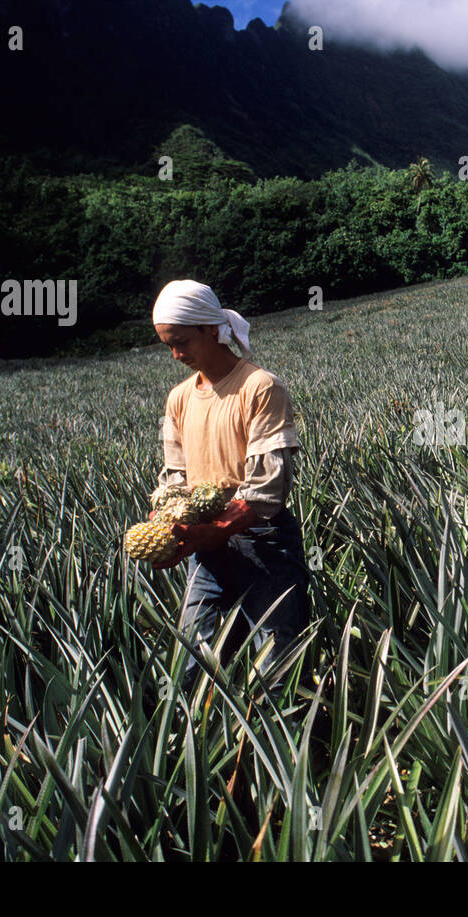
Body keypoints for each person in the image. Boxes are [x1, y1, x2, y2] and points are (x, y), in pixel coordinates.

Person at [148, 279, 310, 698]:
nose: (176, 355)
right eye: (168, 345)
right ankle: (195, 746)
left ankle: (285, 752)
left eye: (182, 342)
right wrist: (166, 524)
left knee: (276, 664)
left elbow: (268, 485)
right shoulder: (179, 399)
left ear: (210, 329)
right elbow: (175, 476)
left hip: (263, 540)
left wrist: (217, 528)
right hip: (205, 544)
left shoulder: (260, 387)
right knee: (191, 659)